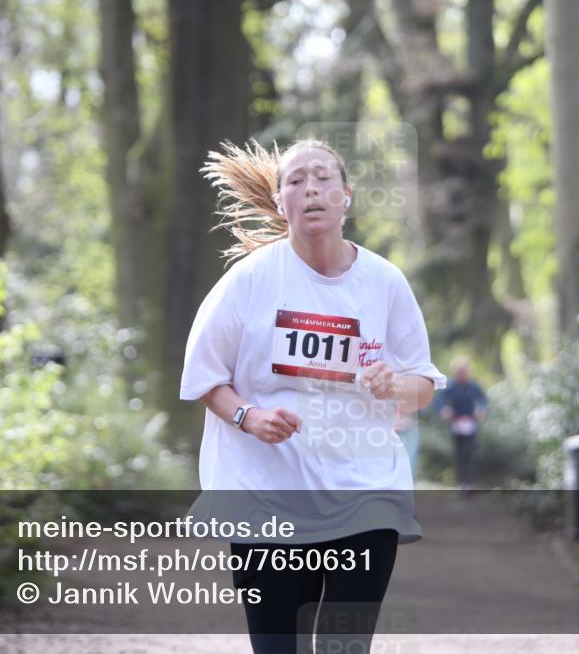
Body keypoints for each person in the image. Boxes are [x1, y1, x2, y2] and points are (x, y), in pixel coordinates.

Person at [180, 139, 446, 653]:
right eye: (297, 181)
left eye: (323, 178)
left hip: (363, 495)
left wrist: (396, 384)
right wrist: (248, 417)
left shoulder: (384, 282)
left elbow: (424, 388)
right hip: (266, 497)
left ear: (346, 196)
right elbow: (204, 377)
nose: (311, 189)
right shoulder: (249, 281)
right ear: (281, 203)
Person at [437, 356, 487, 496]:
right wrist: (444, 410)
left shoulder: (473, 386)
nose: (462, 375)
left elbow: (483, 399)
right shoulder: (451, 386)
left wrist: (481, 409)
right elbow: (439, 400)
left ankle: (469, 483)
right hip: (456, 424)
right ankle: (461, 483)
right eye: (459, 372)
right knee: (458, 454)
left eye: (464, 371)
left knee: (469, 453)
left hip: (470, 424)